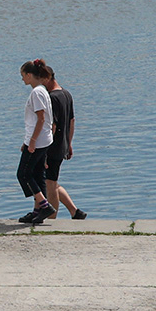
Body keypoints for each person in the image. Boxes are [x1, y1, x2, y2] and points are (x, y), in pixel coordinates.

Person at [44, 66, 86, 220]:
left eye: (42, 80)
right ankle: (75, 212)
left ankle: (52, 219)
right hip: (62, 145)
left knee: (49, 183)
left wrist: (45, 149)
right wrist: (69, 143)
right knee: (51, 181)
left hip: (52, 147)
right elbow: (72, 121)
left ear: (47, 78)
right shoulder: (66, 94)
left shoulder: (52, 97)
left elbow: (52, 126)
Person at [16, 58, 55, 224]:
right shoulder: (42, 90)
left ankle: (45, 206)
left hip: (38, 141)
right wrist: (27, 141)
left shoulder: (37, 92)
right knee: (38, 174)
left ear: (30, 75)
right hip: (42, 140)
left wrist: (32, 141)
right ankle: (37, 210)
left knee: (23, 174)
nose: (22, 79)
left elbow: (41, 118)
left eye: (23, 75)